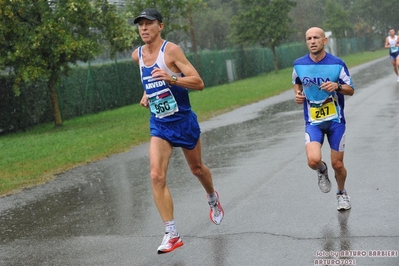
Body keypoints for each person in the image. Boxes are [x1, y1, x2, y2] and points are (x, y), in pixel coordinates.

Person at [131, 8, 224, 254]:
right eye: (140, 25)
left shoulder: (171, 50)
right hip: (160, 124)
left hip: (183, 121)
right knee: (156, 175)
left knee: (197, 169)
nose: (143, 29)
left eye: (148, 24)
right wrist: (147, 94)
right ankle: (171, 233)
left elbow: (198, 82)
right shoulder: (137, 55)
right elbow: (150, 80)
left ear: (160, 26)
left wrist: (172, 78)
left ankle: (212, 197)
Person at [292, 27, 355, 211]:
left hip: (336, 121)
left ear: (324, 41)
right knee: (313, 160)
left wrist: (337, 86)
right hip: (313, 122)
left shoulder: (337, 63)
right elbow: (297, 83)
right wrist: (298, 95)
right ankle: (322, 170)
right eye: (309, 38)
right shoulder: (298, 64)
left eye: (316, 38)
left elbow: (351, 89)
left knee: (338, 164)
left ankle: (342, 193)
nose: (312, 41)